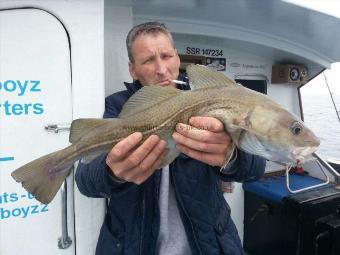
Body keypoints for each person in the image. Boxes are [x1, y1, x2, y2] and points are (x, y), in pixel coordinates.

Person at [75, 21, 266, 255]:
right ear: (132, 69)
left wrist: (232, 155)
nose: (161, 69)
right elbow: (85, 180)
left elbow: (255, 169)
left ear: (177, 58)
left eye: (166, 56)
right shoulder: (117, 106)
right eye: (148, 60)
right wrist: (112, 171)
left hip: (208, 245)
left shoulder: (208, 100)